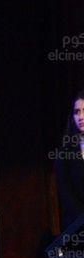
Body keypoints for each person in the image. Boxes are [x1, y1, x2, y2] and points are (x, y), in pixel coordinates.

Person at [55, 90, 84, 230]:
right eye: (77, 112)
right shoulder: (64, 154)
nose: (81, 116)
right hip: (78, 228)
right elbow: (67, 198)